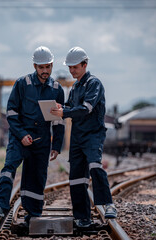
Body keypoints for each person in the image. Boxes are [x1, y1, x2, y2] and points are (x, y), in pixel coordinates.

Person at [0, 46, 65, 226]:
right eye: (41, 67)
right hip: (19, 137)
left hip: (42, 140)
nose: (45, 71)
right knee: (9, 168)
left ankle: (33, 213)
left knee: (37, 176)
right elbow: (11, 113)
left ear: (52, 65)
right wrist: (22, 134)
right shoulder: (22, 84)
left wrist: (56, 146)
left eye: (48, 67)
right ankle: (0, 205)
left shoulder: (57, 89)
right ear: (34, 66)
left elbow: (58, 121)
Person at [50, 46, 117, 228]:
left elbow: (85, 109)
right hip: (78, 137)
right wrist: (58, 107)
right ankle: (82, 218)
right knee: (77, 177)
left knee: (95, 166)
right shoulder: (76, 87)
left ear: (85, 65)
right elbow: (70, 107)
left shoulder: (93, 84)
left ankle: (108, 204)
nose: (72, 70)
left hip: (93, 134)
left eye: (75, 67)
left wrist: (64, 111)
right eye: (70, 67)